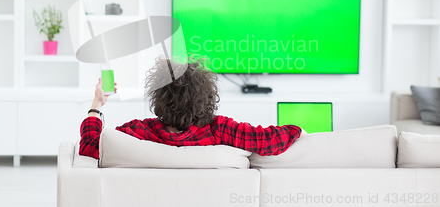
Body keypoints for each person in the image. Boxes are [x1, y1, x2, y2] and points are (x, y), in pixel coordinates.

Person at [79, 56, 302, 159]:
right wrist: (298, 130)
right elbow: (269, 140)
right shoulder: (221, 129)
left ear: (158, 97)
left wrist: (97, 104)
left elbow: (90, 147)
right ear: (205, 96)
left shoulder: (139, 132)